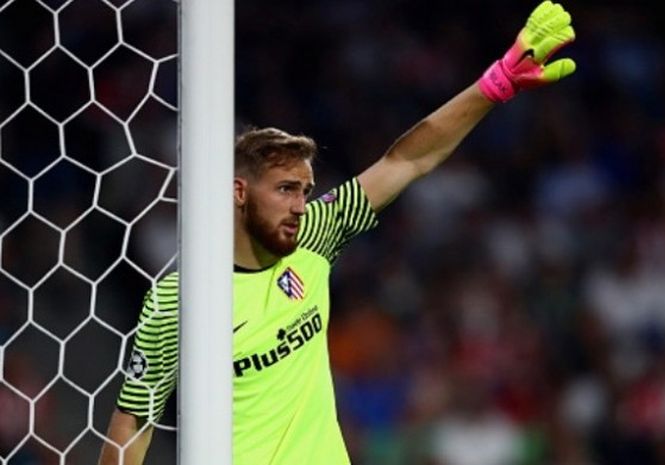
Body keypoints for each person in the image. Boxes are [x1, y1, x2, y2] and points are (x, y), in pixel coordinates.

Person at [98, 1, 576, 464]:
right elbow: (132, 423)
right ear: (238, 192)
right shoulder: (178, 299)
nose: (300, 205)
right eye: (285, 189)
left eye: (305, 190)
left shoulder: (314, 236)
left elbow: (406, 160)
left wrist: (492, 87)